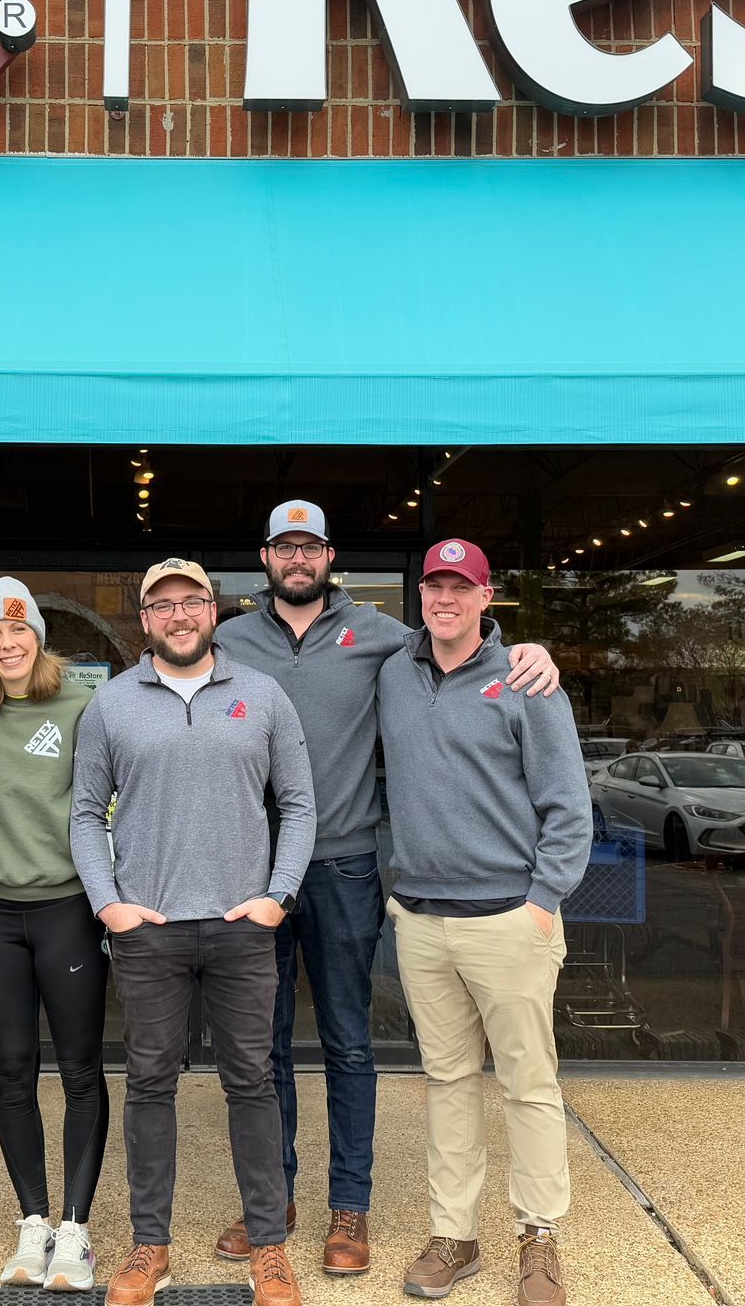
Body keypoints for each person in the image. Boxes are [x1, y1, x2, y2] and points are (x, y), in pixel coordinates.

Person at [213, 501, 562, 1275]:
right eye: (284, 548)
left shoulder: (381, 638)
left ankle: (350, 1209)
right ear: (265, 557)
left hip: (343, 866)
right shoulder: (228, 640)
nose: (297, 560)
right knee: (260, 1048)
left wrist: (530, 651)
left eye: (310, 548)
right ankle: (273, 1201)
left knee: (346, 1041)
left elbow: (463, 646)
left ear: (330, 556)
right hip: (252, 872)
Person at [69, 558, 317, 1306]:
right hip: (150, 930)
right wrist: (109, 904)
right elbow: (85, 812)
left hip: (244, 929)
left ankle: (269, 1250)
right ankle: (151, 1246)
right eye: (163, 605)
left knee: (253, 1082)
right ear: (144, 620)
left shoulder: (263, 695)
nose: (179, 615)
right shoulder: (111, 706)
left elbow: (299, 805)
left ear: (214, 611)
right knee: (149, 1085)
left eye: (192, 602)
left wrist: (279, 895)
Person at [376, 540, 592, 1306]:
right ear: (421, 594)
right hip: (423, 919)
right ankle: (454, 1236)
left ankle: (538, 1237)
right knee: (447, 1083)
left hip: (509, 920)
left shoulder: (527, 681)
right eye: (434, 584)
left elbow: (569, 807)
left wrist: (542, 901)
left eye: (460, 588)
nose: (445, 598)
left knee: (529, 1085)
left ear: (485, 597)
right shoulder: (392, 672)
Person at [0, 577, 107, 1291]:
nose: (8, 644)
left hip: (66, 908)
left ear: (38, 636)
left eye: (19, 631)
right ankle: (33, 1221)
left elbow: (120, 792)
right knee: (11, 1069)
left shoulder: (83, 703)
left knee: (78, 1069)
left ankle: (76, 1230)